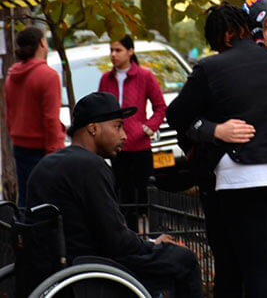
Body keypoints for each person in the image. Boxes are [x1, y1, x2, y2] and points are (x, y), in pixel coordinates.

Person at [167, 3, 267, 298]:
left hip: (242, 176)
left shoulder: (209, 68)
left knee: (255, 268)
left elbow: (176, 116)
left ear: (223, 36)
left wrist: (214, 130)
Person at [26, 92, 202, 296]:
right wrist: (149, 245)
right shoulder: (90, 166)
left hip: (54, 266)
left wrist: (150, 243)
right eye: (117, 126)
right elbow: (117, 240)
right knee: (185, 260)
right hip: (92, 270)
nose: (124, 135)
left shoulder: (48, 163)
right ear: (93, 128)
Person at [98, 35, 166, 232]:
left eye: (118, 50)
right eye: (111, 50)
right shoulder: (106, 78)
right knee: (123, 195)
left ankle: (150, 235)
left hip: (139, 145)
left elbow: (160, 107)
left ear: (130, 51)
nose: (113, 55)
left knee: (144, 194)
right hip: (116, 147)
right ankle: (130, 234)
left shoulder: (145, 76)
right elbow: (102, 109)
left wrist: (149, 127)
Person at [5, 26, 65, 207]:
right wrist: (54, 152)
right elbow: (50, 119)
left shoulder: (12, 76)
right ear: (42, 44)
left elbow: (9, 113)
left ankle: (25, 233)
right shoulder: (47, 76)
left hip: (20, 144)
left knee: (27, 197)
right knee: (49, 201)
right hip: (43, 148)